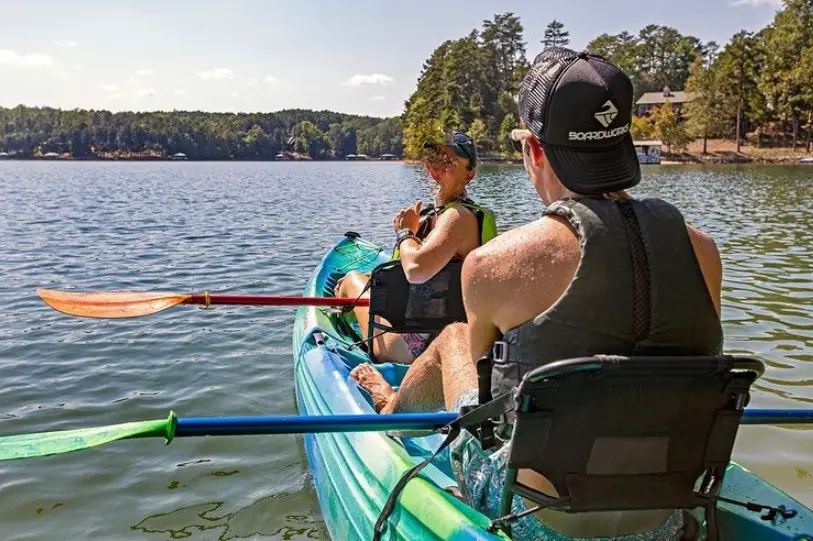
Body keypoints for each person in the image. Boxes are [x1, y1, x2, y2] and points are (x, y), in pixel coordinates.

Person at [352, 47, 724, 540]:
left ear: (535, 151)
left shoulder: (496, 264)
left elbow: (485, 407)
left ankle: (391, 409)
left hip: (539, 520)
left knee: (454, 336)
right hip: (665, 515)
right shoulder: (704, 250)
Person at [336, 132, 496, 365]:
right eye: (437, 158)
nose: (440, 166)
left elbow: (415, 269)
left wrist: (405, 232)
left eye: (450, 162)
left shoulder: (458, 216)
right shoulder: (445, 215)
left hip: (412, 349)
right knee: (366, 278)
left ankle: (337, 323)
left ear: (469, 175)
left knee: (350, 279)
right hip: (442, 334)